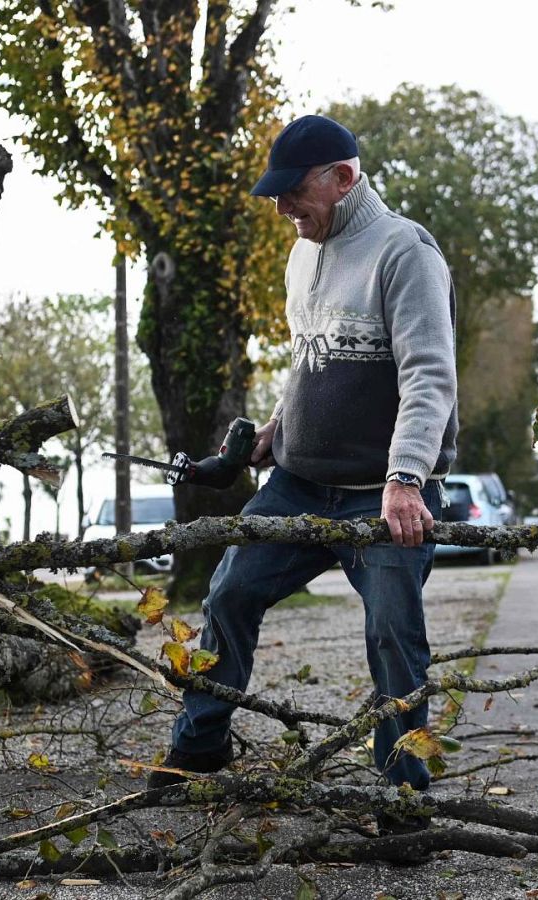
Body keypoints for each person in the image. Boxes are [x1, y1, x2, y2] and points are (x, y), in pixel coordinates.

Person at [148, 114, 459, 832]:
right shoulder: (303, 253)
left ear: (343, 179)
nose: (283, 209)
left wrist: (406, 477)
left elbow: (428, 379)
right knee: (228, 593)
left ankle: (404, 802)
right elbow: (312, 361)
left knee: (393, 634)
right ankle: (201, 745)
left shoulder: (404, 253)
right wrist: (273, 432)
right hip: (296, 482)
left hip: (381, 496)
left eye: (294, 193)